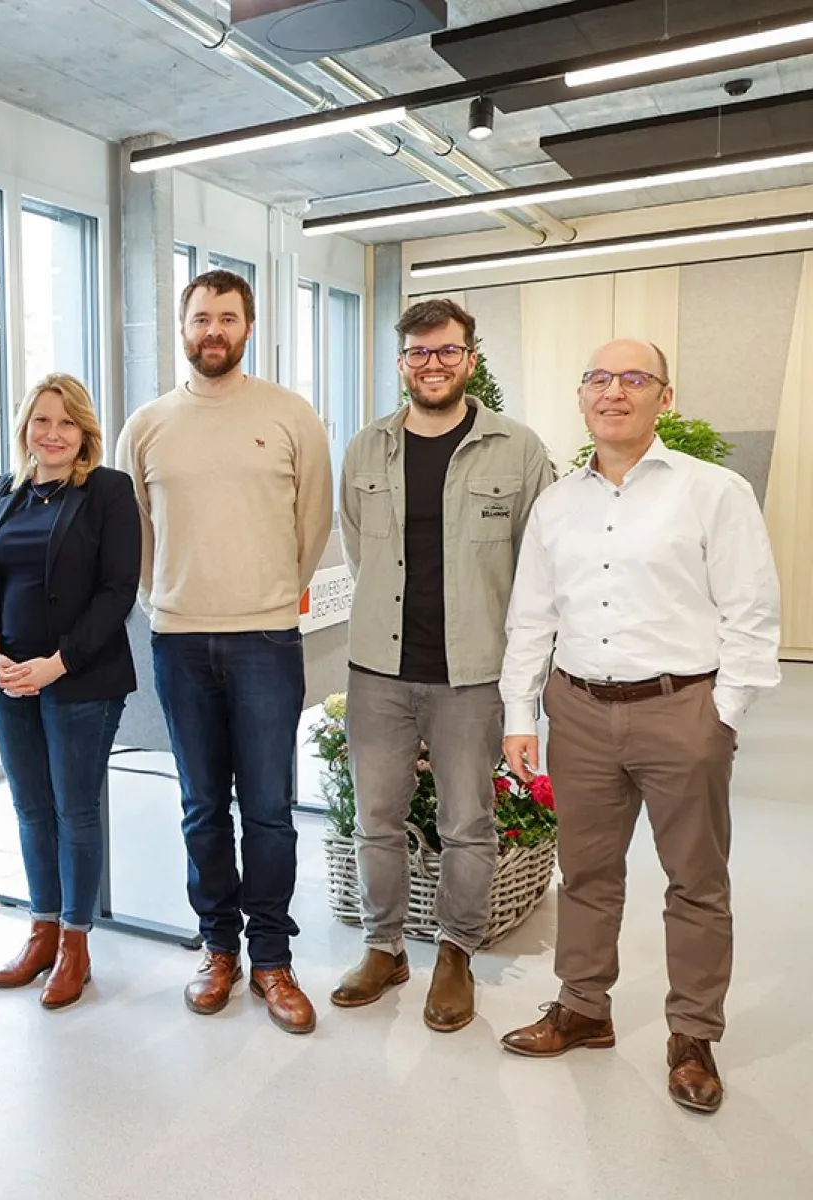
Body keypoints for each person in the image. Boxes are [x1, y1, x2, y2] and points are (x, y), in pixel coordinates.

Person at [497, 339, 780, 1113]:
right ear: (581, 397)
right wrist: (521, 713)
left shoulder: (713, 491)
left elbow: (751, 611)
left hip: (681, 709)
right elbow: (531, 617)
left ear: (665, 395)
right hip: (579, 711)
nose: (613, 392)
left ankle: (693, 1034)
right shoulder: (557, 503)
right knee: (586, 875)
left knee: (696, 882)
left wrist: (722, 715)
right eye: (598, 378)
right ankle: (584, 1007)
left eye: (633, 378)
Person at [116, 268, 332, 1033]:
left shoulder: (289, 415)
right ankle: (218, 949)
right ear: (183, 328)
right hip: (178, 640)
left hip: (267, 640)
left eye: (227, 318)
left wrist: (271, 593)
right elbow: (134, 530)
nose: (214, 330)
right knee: (202, 807)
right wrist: (165, 598)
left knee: (269, 810)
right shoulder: (147, 424)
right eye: (201, 317)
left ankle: (272, 958)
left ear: (248, 327)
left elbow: (314, 520)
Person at [332, 299, 554, 1031]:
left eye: (447, 352)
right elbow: (361, 547)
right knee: (376, 819)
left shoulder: (517, 449)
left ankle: (456, 950)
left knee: (467, 822)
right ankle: (384, 946)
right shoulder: (367, 448)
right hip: (379, 670)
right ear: (402, 363)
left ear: (471, 357)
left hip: (472, 674)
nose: (433, 364)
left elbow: (538, 567)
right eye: (419, 353)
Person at [0, 373, 140, 1009]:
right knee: (30, 808)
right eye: (41, 421)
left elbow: (117, 592)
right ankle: (41, 929)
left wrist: (55, 664)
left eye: (66, 422)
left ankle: (75, 940)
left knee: (74, 810)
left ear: (85, 433)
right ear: (25, 429)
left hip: (82, 681)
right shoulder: (5, 492)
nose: (53, 434)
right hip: (9, 679)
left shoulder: (107, 491)